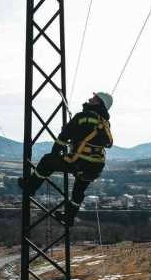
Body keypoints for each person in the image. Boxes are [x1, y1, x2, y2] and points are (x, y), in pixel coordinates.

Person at [18, 92, 114, 226]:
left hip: (80, 160)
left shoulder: (83, 116)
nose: (89, 98)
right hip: (96, 165)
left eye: (93, 98)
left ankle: (30, 187)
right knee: (79, 190)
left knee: (47, 161)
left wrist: (55, 154)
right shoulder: (105, 123)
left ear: (98, 102)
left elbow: (64, 136)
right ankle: (69, 218)